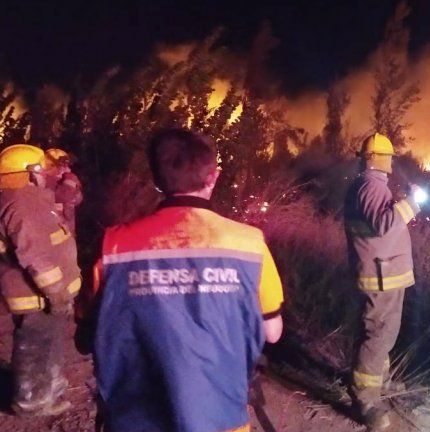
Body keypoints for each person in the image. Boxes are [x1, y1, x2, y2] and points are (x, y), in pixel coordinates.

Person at [93, 129, 284, 431]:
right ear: (213, 177)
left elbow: (91, 331)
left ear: (157, 180)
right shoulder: (250, 244)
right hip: (221, 416)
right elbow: (272, 332)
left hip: (137, 419)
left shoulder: (114, 245)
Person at [344, 132, 421, 431]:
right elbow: (385, 224)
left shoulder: (369, 186)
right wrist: (411, 203)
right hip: (380, 276)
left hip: (384, 274)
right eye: (388, 157)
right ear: (378, 159)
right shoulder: (371, 186)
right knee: (378, 335)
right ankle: (365, 401)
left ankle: (379, 381)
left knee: (384, 334)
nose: (391, 162)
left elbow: (381, 222)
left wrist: (404, 200)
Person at [0, 144, 81, 416]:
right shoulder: (21, 203)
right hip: (36, 294)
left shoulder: (29, 199)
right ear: (31, 172)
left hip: (41, 293)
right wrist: (56, 292)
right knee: (35, 344)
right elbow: (35, 254)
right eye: (42, 168)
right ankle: (31, 400)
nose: (47, 173)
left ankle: (50, 387)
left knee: (50, 341)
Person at [45, 148, 83, 234]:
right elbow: (64, 195)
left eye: (66, 165)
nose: (67, 168)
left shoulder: (63, 180)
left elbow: (78, 198)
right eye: (63, 165)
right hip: (54, 233)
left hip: (67, 232)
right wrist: (71, 178)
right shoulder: (46, 181)